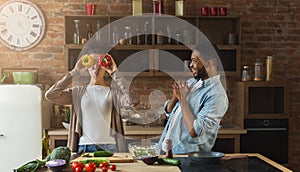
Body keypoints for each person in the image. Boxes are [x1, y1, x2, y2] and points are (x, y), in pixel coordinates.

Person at [45, 53, 138, 153]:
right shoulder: (77, 93)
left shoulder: (114, 94)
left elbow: (133, 100)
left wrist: (115, 72)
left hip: (110, 147)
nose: (96, 68)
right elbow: (50, 95)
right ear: (87, 67)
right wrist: (75, 72)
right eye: (92, 64)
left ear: (105, 68)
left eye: (100, 65)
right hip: (84, 147)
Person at [158, 43, 229, 154]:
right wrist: (175, 97)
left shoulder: (216, 96)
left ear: (210, 63)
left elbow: (195, 131)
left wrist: (182, 99)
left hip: (187, 158)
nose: (191, 65)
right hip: (166, 152)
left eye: (195, 60)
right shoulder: (192, 83)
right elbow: (169, 112)